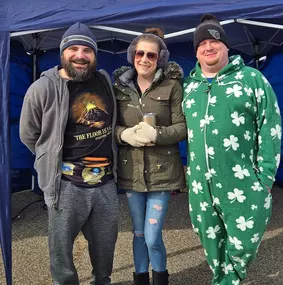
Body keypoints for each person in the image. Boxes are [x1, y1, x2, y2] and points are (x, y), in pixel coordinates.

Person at [182, 14, 282, 285]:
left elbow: (269, 127)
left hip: (243, 182)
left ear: (226, 46)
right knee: (210, 241)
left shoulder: (252, 80)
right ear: (196, 51)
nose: (208, 47)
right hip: (202, 187)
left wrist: (265, 178)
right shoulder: (189, 87)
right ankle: (221, 278)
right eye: (201, 43)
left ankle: (230, 280)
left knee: (243, 243)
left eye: (214, 40)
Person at [20, 22, 119, 285]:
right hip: (66, 185)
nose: (80, 55)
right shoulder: (42, 88)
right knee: (61, 254)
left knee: (105, 250)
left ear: (94, 55)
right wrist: (49, 160)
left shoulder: (104, 80)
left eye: (87, 50)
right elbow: (28, 134)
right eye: (73, 48)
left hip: (105, 183)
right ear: (63, 52)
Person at [113, 28, 186, 285]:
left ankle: (161, 279)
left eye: (151, 55)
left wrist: (156, 134)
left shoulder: (172, 87)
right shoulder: (119, 88)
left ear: (159, 59)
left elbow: (182, 128)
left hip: (162, 173)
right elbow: (107, 126)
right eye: (140, 53)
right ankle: (141, 279)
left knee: (153, 235)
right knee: (138, 233)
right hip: (131, 173)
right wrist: (124, 135)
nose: (144, 59)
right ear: (133, 54)